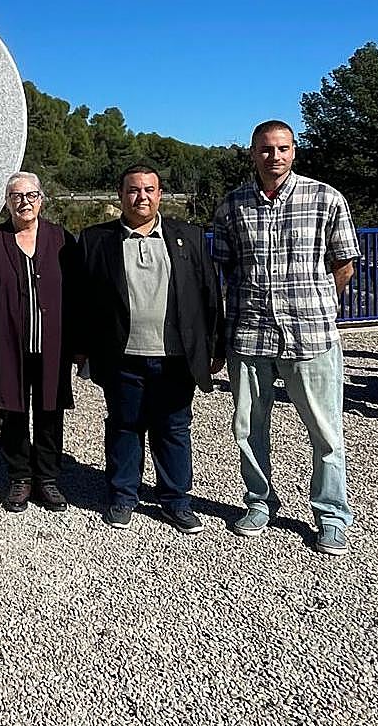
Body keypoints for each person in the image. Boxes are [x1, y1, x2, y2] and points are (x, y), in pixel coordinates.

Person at [212, 119, 361, 556]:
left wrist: (317, 305)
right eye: (264, 149)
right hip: (250, 335)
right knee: (248, 429)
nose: (273, 157)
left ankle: (331, 515)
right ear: (252, 152)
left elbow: (344, 264)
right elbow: (223, 268)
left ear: (294, 151)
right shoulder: (232, 205)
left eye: (281, 148)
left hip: (311, 336)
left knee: (326, 433)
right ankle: (260, 502)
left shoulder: (325, 198)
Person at [80, 164, 224, 533]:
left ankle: (176, 500)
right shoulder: (96, 240)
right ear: (120, 196)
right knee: (125, 425)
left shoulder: (188, 236)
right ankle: (122, 495)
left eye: (148, 189)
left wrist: (215, 346)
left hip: (175, 357)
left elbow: (209, 295)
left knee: (174, 427)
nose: (140, 197)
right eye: (132, 190)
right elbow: (82, 301)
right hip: (121, 356)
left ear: (159, 194)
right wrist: (81, 351)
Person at [0, 171, 81, 512]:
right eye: (16, 197)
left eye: (31, 195)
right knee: (12, 409)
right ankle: (19, 476)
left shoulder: (60, 238)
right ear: (7, 202)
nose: (24, 202)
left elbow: (77, 295)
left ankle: (47, 478)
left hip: (53, 346)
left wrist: (78, 343)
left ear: (41, 199)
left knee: (50, 410)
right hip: (6, 344)